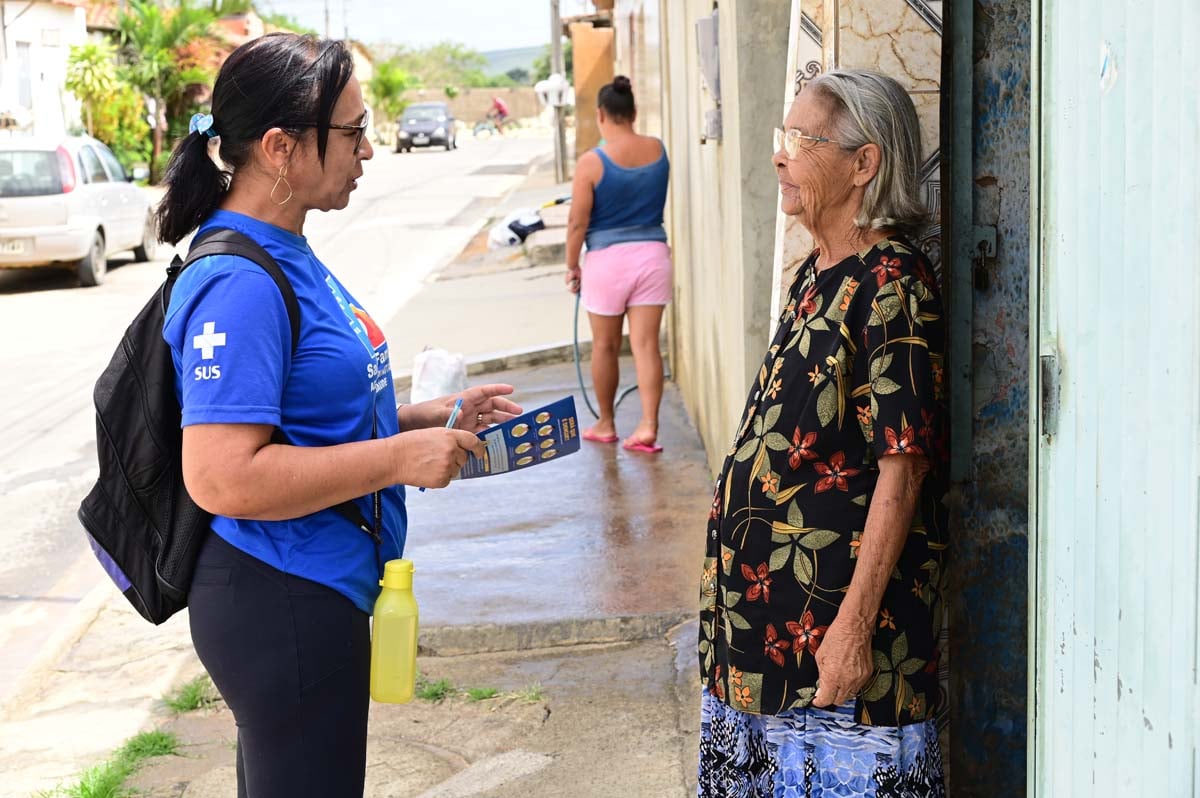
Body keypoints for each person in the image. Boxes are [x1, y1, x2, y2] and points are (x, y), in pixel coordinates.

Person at [155, 34, 521, 797]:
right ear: (282, 148)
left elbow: (309, 416)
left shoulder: (289, 247)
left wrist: (425, 419)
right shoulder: (240, 283)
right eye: (354, 134)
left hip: (315, 587)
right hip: (280, 595)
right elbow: (221, 476)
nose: (369, 152)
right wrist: (396, 460)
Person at [697, 69, 949, 796]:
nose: (781, 156)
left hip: (832, 661)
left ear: (864, 163)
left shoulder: (892, 284)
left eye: (803, 141)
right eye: (785, 137)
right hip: (761, 645)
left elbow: (903, 471)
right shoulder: (816, 271)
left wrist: (852, 629)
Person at [564, 75, 671, 453]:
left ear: (600, 115)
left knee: (605, 346)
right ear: (634, 113)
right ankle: (648, 428)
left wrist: (572, 265)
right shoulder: (658, 150)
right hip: (653, 256)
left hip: (607, 262)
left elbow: (577, 221)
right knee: (646, 346)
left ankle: (606, 423)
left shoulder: (592, 162)